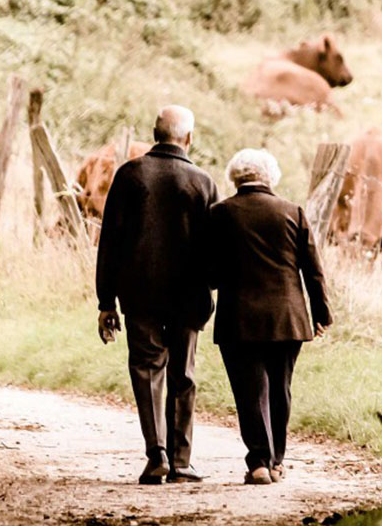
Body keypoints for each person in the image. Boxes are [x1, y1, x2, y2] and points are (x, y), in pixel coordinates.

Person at [96, 105, 218, 485]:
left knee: (147, 371)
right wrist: (211, 287)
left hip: (139, 293)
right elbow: (214, 248)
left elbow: (110, 243)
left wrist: (106, 302)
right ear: (189, 138)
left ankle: (157, 455)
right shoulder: (202, 182)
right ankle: (182, 462)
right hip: (189, 296)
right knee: (183, 374)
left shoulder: (130, 175)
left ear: (154, 133)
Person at [209, 148, 332, 485]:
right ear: (270, 177)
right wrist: (321, 313)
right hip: (288, 317)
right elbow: (314, 270)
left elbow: (209, 271)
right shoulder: (293, 212)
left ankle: (259, 462)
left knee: (250, 391)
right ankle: (277, 461)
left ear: (235, 176)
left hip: (239, 318)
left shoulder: (220, 214)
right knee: (281, 388)